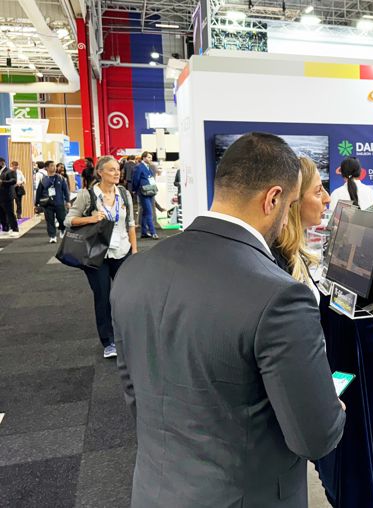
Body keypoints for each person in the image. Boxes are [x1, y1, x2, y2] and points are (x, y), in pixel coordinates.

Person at [110, 132, 346, 507]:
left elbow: (137, 393)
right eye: (289, 204)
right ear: (272, 199)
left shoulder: (134, 271)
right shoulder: (279, 296)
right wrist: (331, 410)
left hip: (153, 491)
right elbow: (315, 438)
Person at [66, 156, 137, 358]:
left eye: (118, 169)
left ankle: (129, 334)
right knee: (103, 297)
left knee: (127, 295)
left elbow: (130, 224)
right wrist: (90, 218)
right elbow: (69, 220)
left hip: (121, 251)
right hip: (96, 254)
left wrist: (134, 251)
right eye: (111, 169)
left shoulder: (124, 193)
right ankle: (109, 341)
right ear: (100, 172)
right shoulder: (87, 195)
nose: (117, 173)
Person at [274, 157, 331, 301]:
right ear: (294, 200)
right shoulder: (279, 261)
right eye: (318, 192)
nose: (327, 199)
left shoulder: (291, 252)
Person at [35, 161, 70, 243]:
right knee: (49, 220)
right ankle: (52, 236)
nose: (54, 167)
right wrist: (37, 203)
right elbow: (39, 191)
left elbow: (65, 190)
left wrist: (68, 201)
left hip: (59, 202)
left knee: (62, 218)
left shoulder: (60, 178)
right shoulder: (43, 179)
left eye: (54, 166)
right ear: (46, 168)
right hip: (47, 203)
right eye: (51, 166)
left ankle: (62, 229)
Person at [131, 151, 158, 239]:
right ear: (144, 157)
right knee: (149, 212)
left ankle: (144, 232)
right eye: (149, 157)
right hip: (143, 192)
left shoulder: (148, 167)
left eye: (151, 158)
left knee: (145, 212)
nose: (150, 159)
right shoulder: (139, 167)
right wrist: (135, 190)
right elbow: (135, 179)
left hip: (150, 191)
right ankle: (153, 232)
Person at [0, 158, 19, 237]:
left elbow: (14, 180)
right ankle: (5, 228)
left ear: (2, 163)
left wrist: (2, 182)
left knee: (10, 213)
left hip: (7, 196)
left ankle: (15, 229)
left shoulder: (10, 171)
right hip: (0, 196)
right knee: (1, 213)